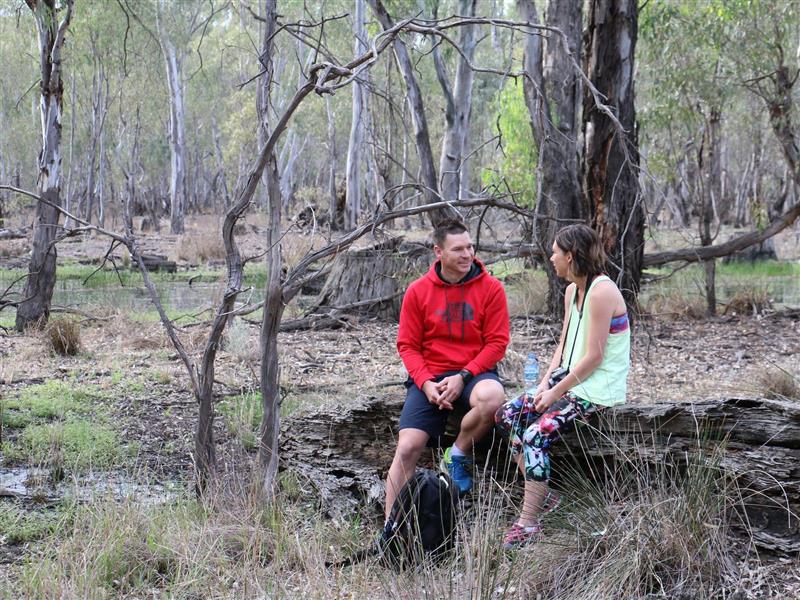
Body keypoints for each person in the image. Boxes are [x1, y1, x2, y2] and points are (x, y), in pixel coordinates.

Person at [495, 224, 631, 549]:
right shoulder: (572, 291)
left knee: (535, 436)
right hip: (570, 379)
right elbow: (564, 345)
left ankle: (528, 524)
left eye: (556, 252)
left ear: (571, 256)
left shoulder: (602, 291)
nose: (551, 258)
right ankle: (546, 497)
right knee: (507, 416)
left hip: (596, 389)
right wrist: (545, 384)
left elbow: (595, 357)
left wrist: (555, 393)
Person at [384, 219, 510, 526]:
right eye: (458, 249)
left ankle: (456, 454)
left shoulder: (491, 288)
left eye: (470, 247)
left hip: (474, 374)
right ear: (438, 252)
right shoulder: (418, 291)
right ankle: (390, 529)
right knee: (407, 448)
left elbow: (497, 343)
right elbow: (408, 345)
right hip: (430, 377)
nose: (467, 254)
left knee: (493, 397)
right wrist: (426, 383)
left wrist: (463, 376)